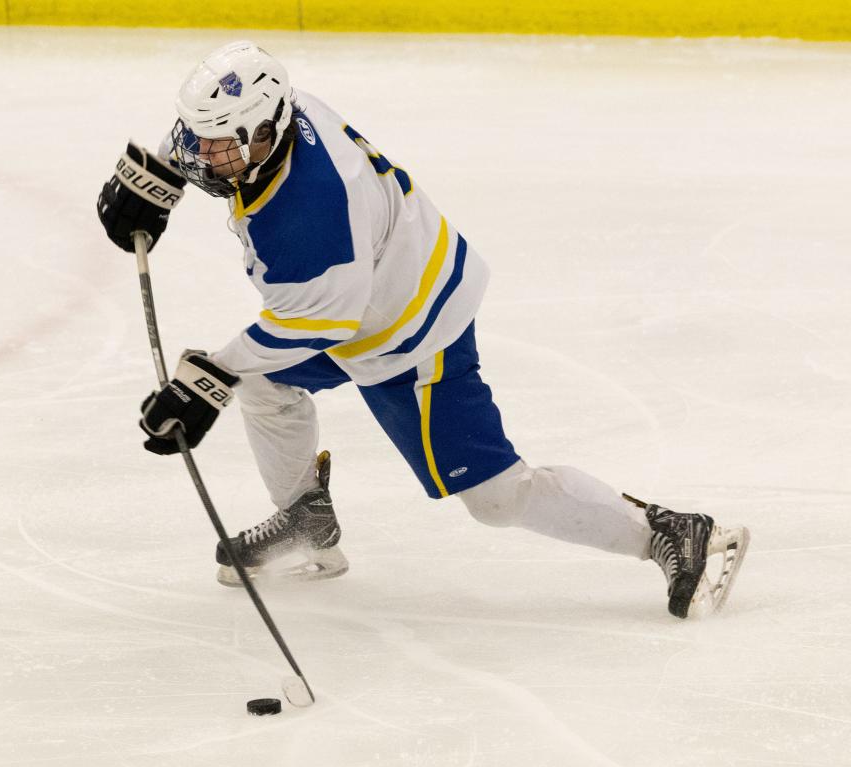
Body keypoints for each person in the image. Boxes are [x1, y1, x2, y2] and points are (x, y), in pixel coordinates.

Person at [96, 40, 749, 619]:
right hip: (370, 296)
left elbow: (317, 323)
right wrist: (159, 175)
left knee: (494, 498)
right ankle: (307, 517)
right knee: (265, 385)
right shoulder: (280, 115)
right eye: (197, 141)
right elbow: (208, 128)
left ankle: (670, 531)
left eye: (220, 147)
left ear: (266, 131)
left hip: (409, 330)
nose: (204, 158)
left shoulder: (313, 213)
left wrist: (209, 376)